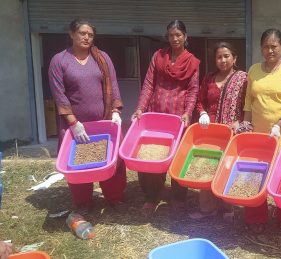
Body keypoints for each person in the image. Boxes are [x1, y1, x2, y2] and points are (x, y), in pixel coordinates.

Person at [48, 19, 126, 210]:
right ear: (71, 34)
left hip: (103, 122)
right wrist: (73, 122)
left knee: (111, 160)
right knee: (78, 162)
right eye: (82, 33)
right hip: (76, 126)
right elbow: (59, 94)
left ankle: (114, 197)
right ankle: (83, 202)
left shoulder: (102, 58)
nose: (86, 37)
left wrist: (115, 111)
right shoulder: (59, 61)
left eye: (90, 35)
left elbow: (113, 84)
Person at [132, 20, 200, 216]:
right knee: (154, 156)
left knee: (179, 157)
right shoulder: (158, 56)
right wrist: (140, 108)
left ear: (185, 37)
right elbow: (148, 84)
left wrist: (188, 113)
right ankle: (152, 197)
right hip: (157, 115)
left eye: (179, 35)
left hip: (179, 118)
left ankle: (178, 198)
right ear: (167, 37)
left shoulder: (192, 61)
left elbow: (193, 90)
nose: (175, 38)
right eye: (171, 35)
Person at [238, 28, 281, 233]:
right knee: (257, 176)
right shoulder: (254, 70)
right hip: (258, 136)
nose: (270, 50)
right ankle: (256, 218)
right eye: (266, 46)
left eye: (274, 46)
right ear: (261, 48)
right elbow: (249, 101)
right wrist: (246, 126)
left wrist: (278, 125)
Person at [190, 42, 247, 220]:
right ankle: (207, 208)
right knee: (208, 166)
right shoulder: (208, 78)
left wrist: (240, 123)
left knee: (228, 168)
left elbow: (249, 105)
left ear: (234, 58)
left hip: (231, 132)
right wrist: (203, 113)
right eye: (219, 57)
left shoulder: (243, 79)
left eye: (226, 56)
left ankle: (228, 207)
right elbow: (200, 101)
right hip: (211, 132)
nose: (222, 60)